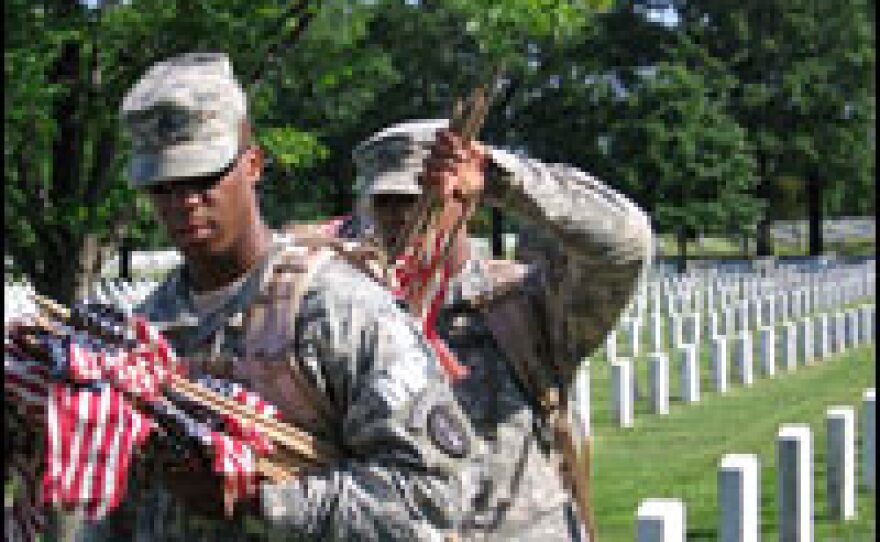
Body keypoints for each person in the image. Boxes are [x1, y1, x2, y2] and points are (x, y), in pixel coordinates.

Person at [82, 52, 477, 542]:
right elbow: (119, 512)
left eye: (204, 178)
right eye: (163, 186)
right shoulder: (144, 334)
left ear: (253, 164)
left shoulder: (339, 312)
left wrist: (258, 499)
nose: (183, 202)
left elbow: (434, 500)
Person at [348, 119, 654, 541]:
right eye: (387, 201)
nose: (404, 216)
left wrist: (500, 178)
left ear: (467, 201)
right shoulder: (347, 319)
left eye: (423, 197)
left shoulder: (520, 303)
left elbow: (626, 244)